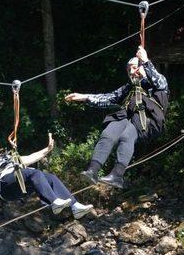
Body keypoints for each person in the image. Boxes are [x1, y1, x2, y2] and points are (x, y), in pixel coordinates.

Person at [65, 46, 169, 189]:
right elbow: (108, 98)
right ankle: (93, 170)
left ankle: (117, 175)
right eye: (130, 69)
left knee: (126, 136)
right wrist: (84, 97)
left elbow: (160, 82)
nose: (132, 72)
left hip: (148, 121)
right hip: (129, 119)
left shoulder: (155, 85)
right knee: (108, 133)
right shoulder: (127, 89)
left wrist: (145, 61)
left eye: (135, 68)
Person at [0, 134, 94, 219]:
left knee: (50, 177)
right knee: (34, 172)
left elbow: (31, 157)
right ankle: (54, 202)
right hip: (5, 186)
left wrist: (48, 149)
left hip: (20, 186)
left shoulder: (9, 158)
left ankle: (75, 206)